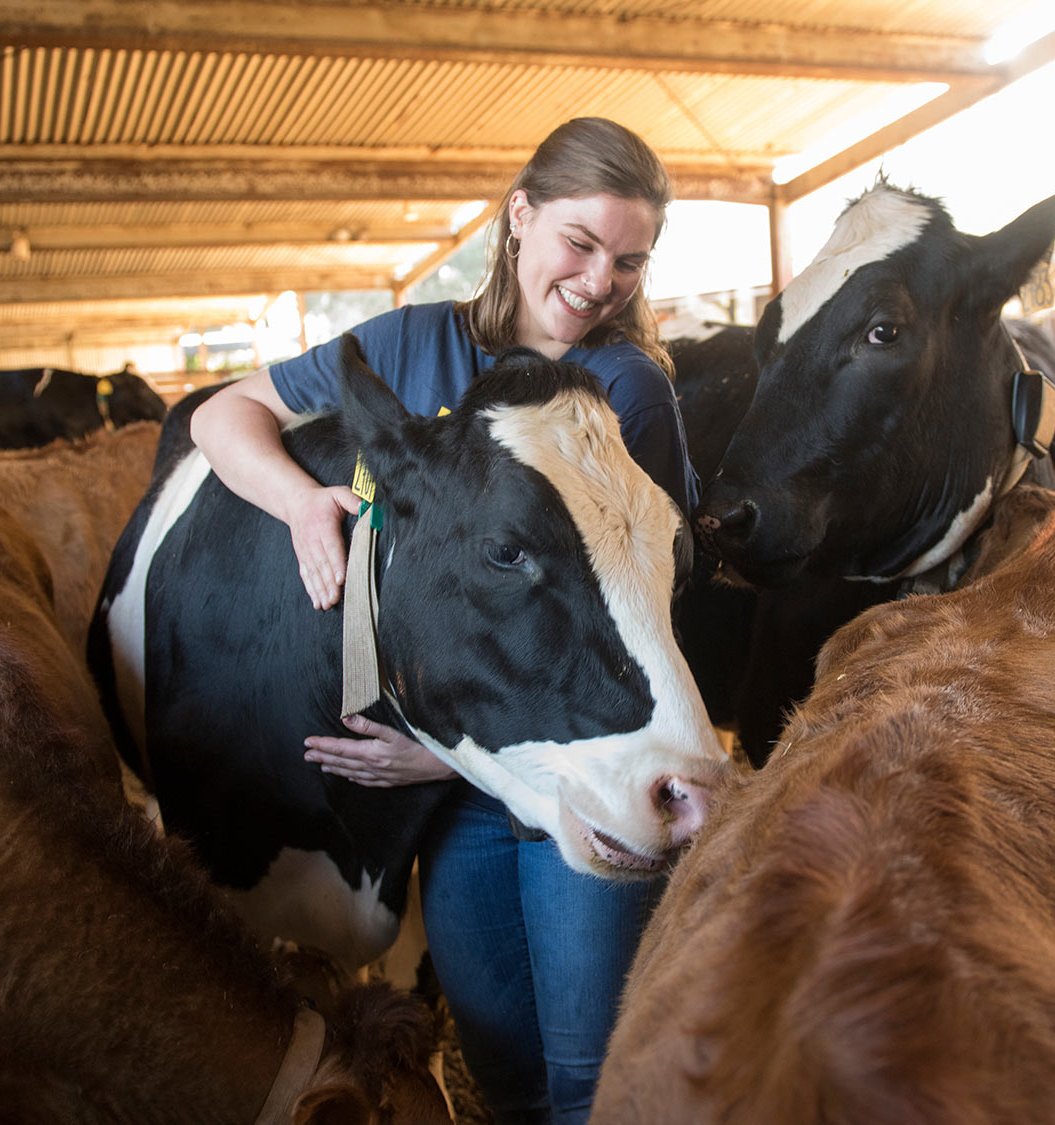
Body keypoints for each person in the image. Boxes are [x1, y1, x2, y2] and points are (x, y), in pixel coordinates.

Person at [188, 117, 695, 1124]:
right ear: (518, 217)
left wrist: (437, 753)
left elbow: (646, 609)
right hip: (455, 808)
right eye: (581, 244)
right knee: (503, 1076)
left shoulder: (626, 390)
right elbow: (218, 415)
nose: (600, 284)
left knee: (592, 1082)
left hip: (581, 776)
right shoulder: (409, 346)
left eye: (629, 263)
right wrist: (299, 500)